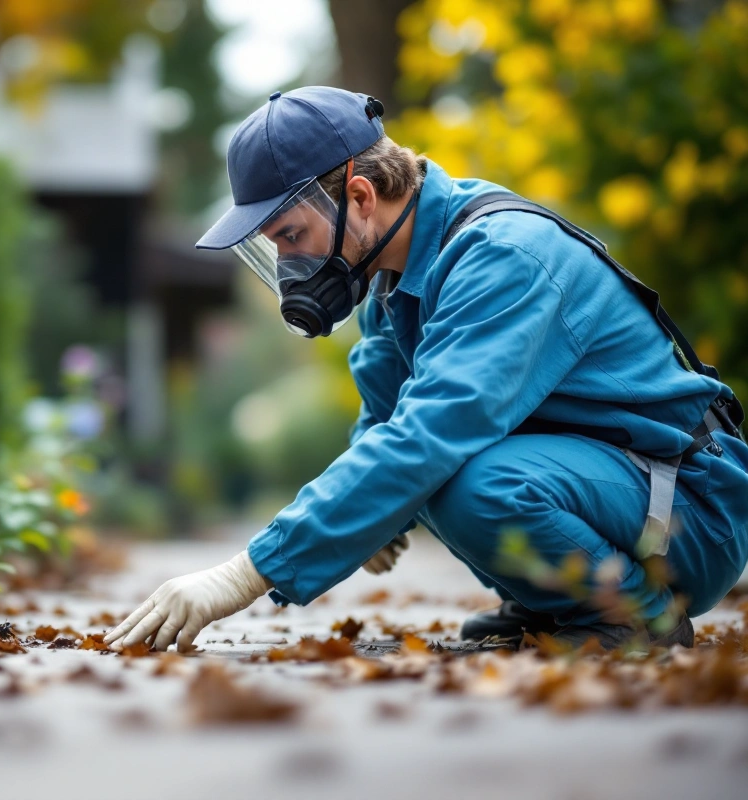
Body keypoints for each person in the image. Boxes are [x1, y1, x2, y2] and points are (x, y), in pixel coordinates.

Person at [104, 86, 748, 654]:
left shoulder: (501, 260)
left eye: (290, 235)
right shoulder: (392, 280)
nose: (287, 263)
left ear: (359, 196)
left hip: (688, 509)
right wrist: (372, 517)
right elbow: (384, 424)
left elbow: (426, 437)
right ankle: (560, 603)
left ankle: (635, 615)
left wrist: (244, 573)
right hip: (624, 488)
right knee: (438, 477)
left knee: (468, 482)